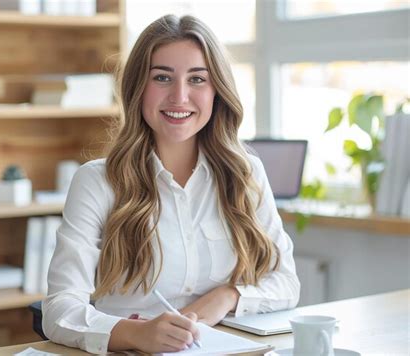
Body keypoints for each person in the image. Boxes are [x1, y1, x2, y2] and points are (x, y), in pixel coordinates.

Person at [42, 14, 300, 354]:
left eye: (197, 79)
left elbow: (285, 283)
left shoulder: (245, 173)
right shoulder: (97, 181)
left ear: (216, 91)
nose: (179, 96)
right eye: (162, 77)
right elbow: (59, 310)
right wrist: (136, 333)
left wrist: (227, 296)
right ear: (138, 87)